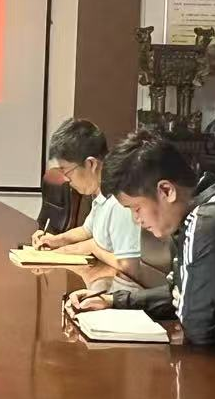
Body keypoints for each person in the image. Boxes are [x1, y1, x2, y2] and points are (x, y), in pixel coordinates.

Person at [71, 130, 215, 371]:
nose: (136, 219)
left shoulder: (210, 222)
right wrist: (113, 300)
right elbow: (183, 292)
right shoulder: (201, 213)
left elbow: (197, 328)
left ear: (166, 190)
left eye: (136, 208)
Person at [31, 118, 144, 281]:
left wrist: (93, 248)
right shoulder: (100, 194)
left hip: (118, 288)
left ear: (91, 164)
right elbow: (87, 230)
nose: (67, 179)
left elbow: (130, 267)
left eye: (66, 171)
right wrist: (55, 240)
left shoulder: (120, 203)